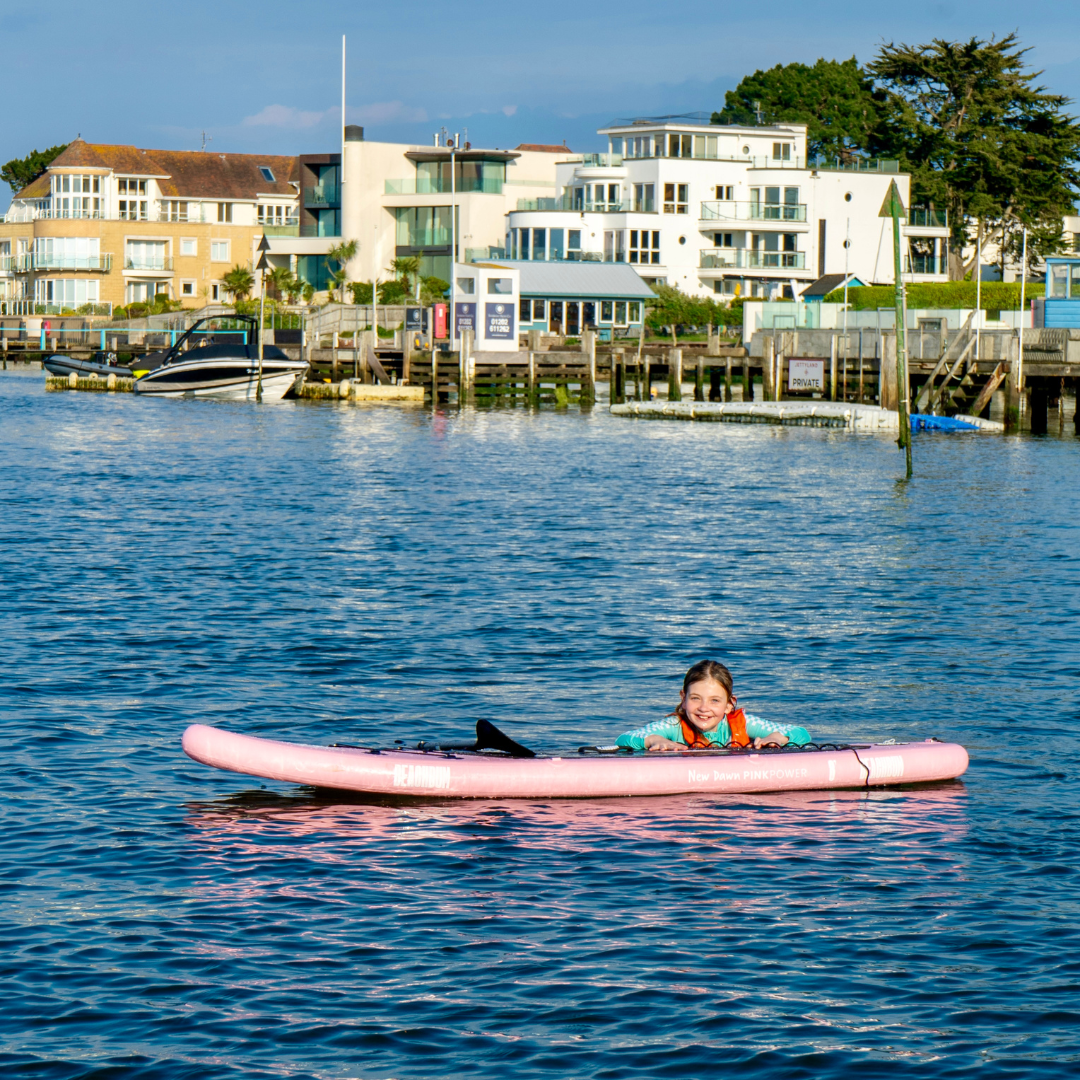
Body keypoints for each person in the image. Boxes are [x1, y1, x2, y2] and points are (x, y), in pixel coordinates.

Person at [616, 660, 810, 751]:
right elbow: (624, 738)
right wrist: (654, 740)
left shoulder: (742, 723)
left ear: (729, 704)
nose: (704, 708)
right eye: (695, 699)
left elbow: (801, 733)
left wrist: (777, 737)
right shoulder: (674, 726)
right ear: (683, 699)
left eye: (714, 701)